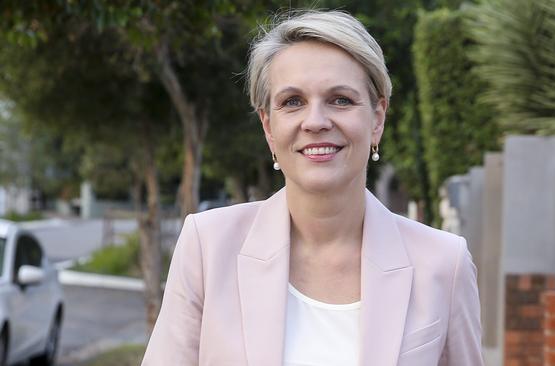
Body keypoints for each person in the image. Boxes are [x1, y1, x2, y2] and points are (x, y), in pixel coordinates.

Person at [142, 10, 483, 366]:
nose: (316, 122)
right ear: (268, 126)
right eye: (292, 102)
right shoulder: (207, 247)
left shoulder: (444, 263)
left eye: (341, 100)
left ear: (377, 119)